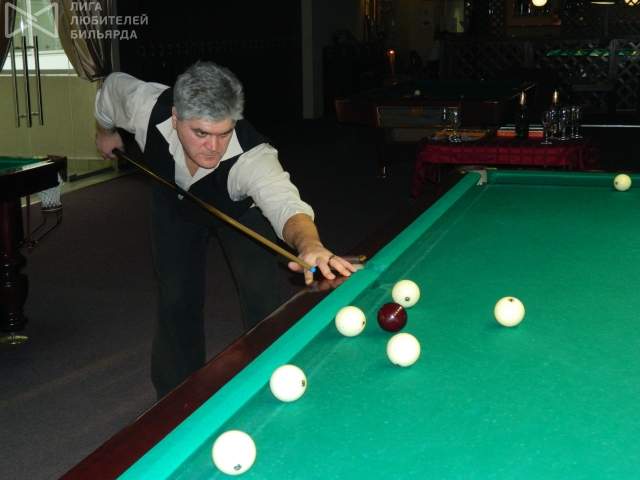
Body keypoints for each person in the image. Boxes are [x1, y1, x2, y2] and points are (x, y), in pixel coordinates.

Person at [94, 62, 355, 399]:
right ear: (175, 117)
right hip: (174, 203)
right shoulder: (145, 106)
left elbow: (287, 206)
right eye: (201, 133)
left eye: (224, 133)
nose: (214, 147)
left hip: (240, 212)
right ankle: (175, 397)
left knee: (261, 298)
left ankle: (267, 381)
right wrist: (105, 131)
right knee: (176, 297)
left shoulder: (253, 158)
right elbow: (110, 88)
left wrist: (310, 245)